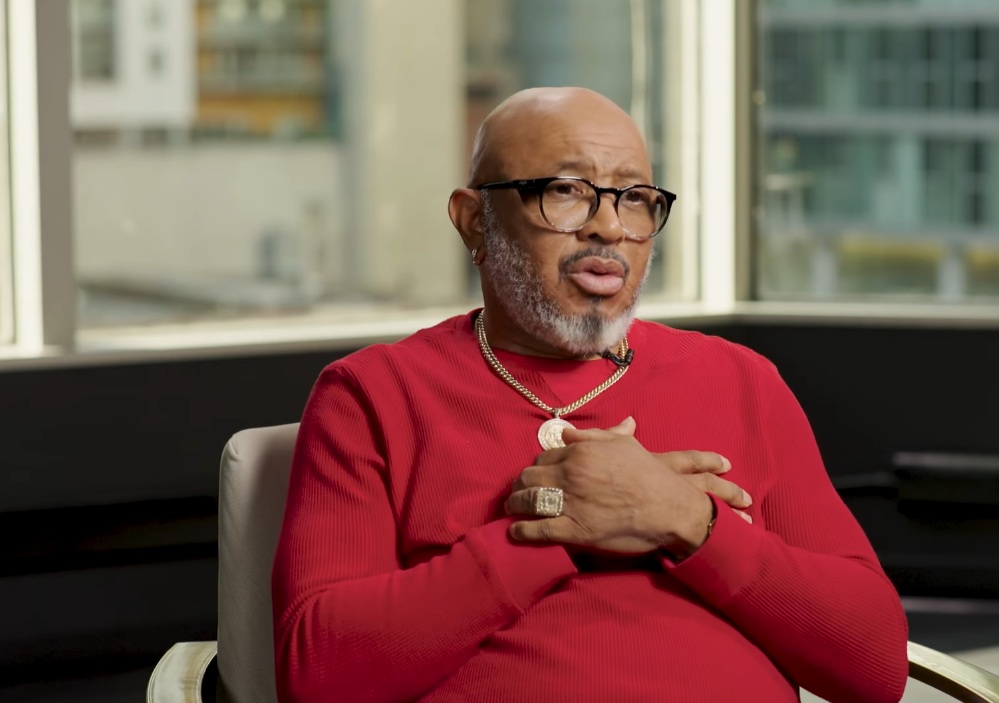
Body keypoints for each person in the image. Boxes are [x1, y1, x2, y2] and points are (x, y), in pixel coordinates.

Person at [272, 87, 909, 703]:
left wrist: (685, 520)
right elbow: (320, 674)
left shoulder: (741, 380)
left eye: (634, 198)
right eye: (566, 191)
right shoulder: (373, 394)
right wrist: (561, 525)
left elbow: (875, 665)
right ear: (475, 221)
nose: (609, 227)